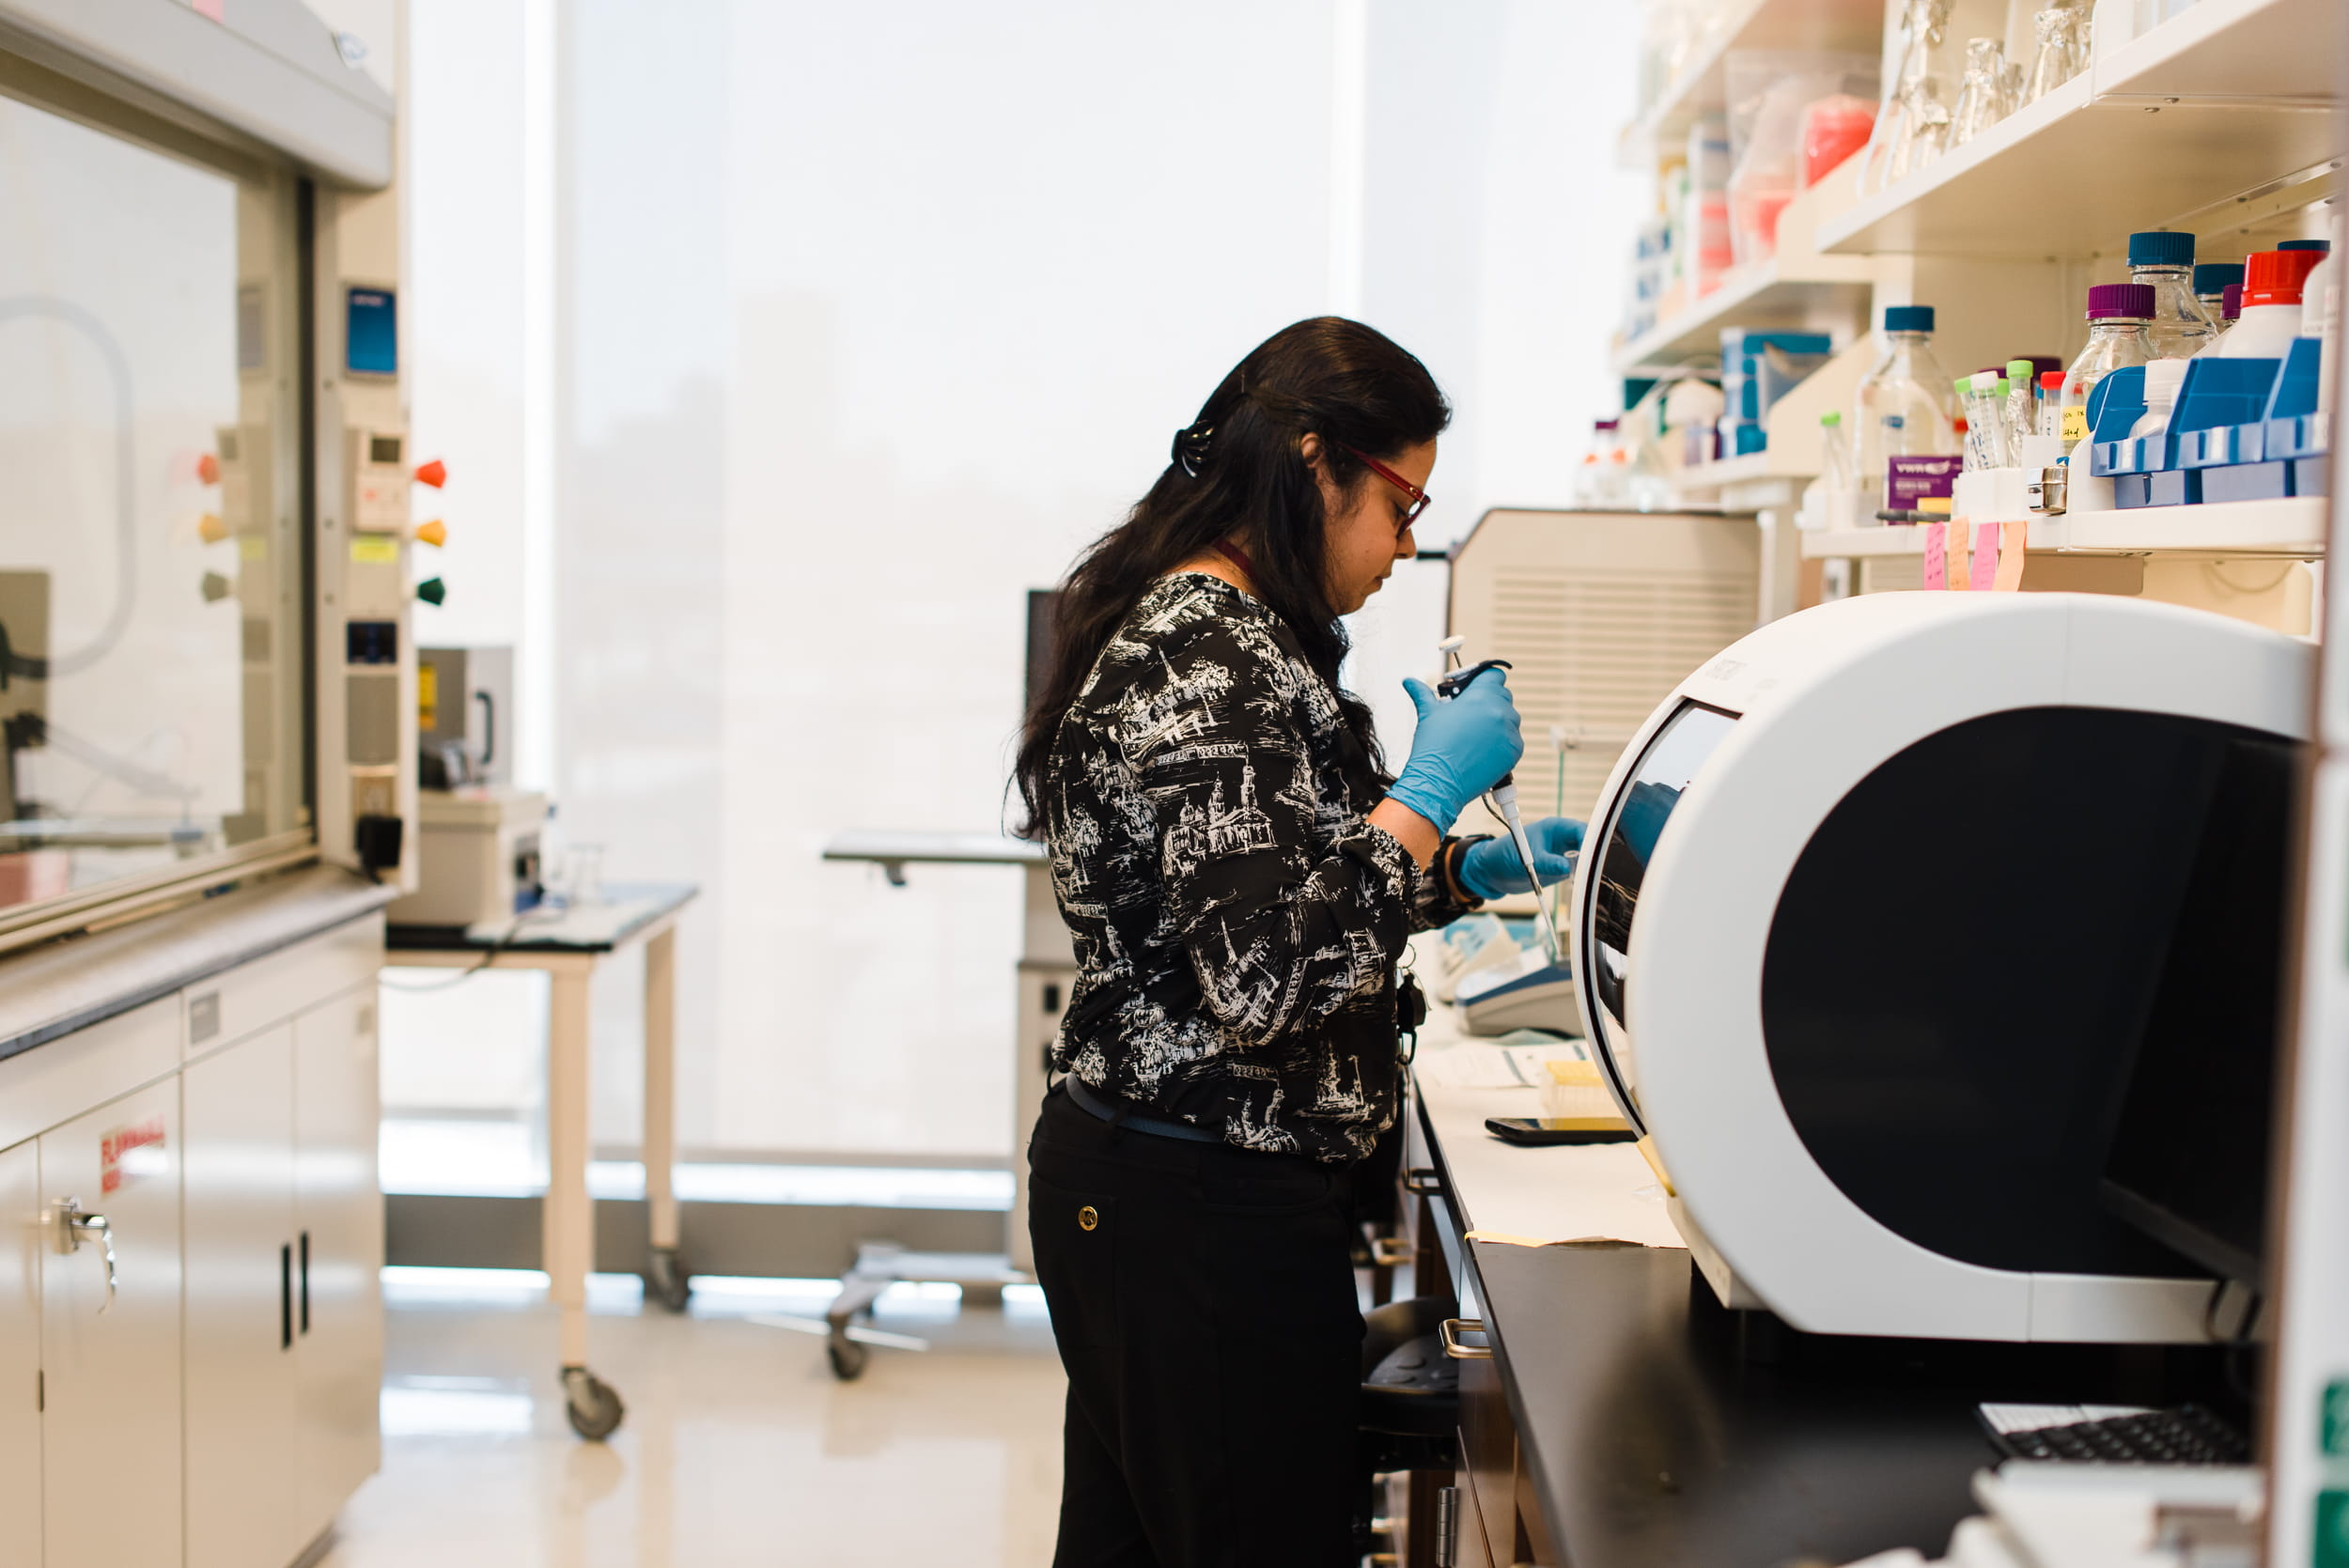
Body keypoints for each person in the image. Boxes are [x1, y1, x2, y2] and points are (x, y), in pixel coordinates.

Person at [1012, 317, 1582, 1567]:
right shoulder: (1208, 655)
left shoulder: (1237, 635)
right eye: (1402, 502)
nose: (1407, 542)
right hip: (1193, 1205)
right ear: (1315, 459)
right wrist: (1422, 801)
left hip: (1171, 1190)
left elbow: (1276, 899)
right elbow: (1266, 977)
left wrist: (1459, 869)